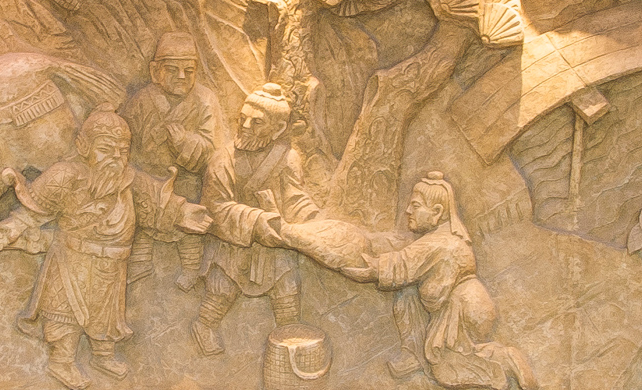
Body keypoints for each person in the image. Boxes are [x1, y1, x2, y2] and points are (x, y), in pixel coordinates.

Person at [0, 104, 211, 390]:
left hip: (113, 263)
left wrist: (182, 212)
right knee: (64, 312)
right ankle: (62, 361)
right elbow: (35, 208)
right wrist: (10, 228)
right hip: (72, 259)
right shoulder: (65, 176)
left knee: (107, 315)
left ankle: (103, 356)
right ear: (83, 146)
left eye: (123, 150)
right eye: (106, 149)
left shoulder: (130, 179)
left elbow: (157, 202)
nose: (116, 157)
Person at [342, 172, 538, 390]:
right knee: (407, 294)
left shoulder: (438, 243)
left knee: (447, 370)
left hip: (461, 316)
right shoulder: (447, 238)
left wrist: (362, 267)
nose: (408, 211)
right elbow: (407, 264)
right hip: (469, 308)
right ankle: (414, 353)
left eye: (415, 206)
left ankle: (503, 363)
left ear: (436, 212)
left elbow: (401, 264)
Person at [192, 83, 321, 356]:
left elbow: (295, 197)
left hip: (274, 241)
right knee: (221, 288)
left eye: (257, 122)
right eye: (243, 118)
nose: (246, 126)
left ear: (277, 128)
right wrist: (256, 221)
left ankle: (288, 338)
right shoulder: (223, 159)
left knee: (286, 289)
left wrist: (311, 219)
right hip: (235, 242)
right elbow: (215, 206)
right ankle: (204, 326)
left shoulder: (287, 158)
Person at [122, 32, 223, 291]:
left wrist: (185, 143)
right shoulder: (142, 100)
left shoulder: (205, 100)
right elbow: (126, 141)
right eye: (172, 69)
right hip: (148, 179)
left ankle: (191, 270)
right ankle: (139, 262)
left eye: (189, 71)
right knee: (140, 222)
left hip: (187, 181)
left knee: (192, 226)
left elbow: (214, 150)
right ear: (155, 71)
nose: (181, 76)